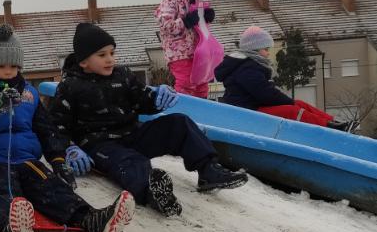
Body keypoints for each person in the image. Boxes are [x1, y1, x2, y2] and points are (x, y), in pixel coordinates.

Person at [0, 24, 135, 232]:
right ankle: (14, 223)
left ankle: (92, 219)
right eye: (1, 66)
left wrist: (59, 160)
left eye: (14, 66)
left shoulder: (28, 94)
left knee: (50, 186)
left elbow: (46, 129)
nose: (9, 71)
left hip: (25, 159)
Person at [49, 23, 248, 217]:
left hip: (134, 134)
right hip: (100, 145)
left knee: (179, 123)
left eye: (112, 53)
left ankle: (208, 170)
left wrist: (159, 97)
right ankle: (152, 191)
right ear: (84, 61)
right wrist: (69, 148)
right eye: (102, 55)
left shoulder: (123, 75)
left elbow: (143, 100)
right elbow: (57, 125)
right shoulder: (70, 87)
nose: (110, 59)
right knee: (131, 162)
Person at [215, 26, 355, 132]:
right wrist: (289, 102)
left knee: (299, 103)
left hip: (254, 106)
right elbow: (266, 94)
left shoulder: (250, 65)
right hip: (246, 112)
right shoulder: (247, 69)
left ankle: (333, 122)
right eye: (265, 49)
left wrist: (291, 102)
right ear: (254, 49)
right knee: (291, 110)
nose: (268, 53)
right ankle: (328, 128)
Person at [154, 0, 216, 98]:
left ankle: (203, 110)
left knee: (202, 82)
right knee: (186, 83)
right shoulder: (171, 0)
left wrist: (205, 16)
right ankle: (184, 108)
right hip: (179, 53)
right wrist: (186, 21)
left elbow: (198, 25)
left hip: (198, 50)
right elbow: (166, 24)